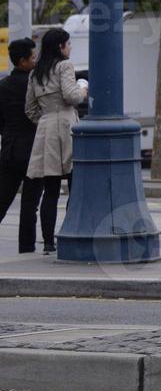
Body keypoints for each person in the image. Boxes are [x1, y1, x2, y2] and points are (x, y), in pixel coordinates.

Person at [24, 28, 88, 254]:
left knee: (50, 190)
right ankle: (69, 232)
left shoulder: (35, 73)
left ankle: (48, 242)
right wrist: (83, 89)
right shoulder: (65, 66)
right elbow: (71, 97)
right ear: (60, 47)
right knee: (75, 184)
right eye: (68, 44)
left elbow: (30, 109)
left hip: (46, 129)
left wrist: (45, 121)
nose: (70, 48)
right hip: (67, 125)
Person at [0, 37, 45, 251]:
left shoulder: (3, 86)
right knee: (30, 204)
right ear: (22, 61)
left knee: (3, 199)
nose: (35, 61)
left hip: (10, 151)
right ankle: (26, 247)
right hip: (34, 151)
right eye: (33, 57)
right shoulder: (36, 85)